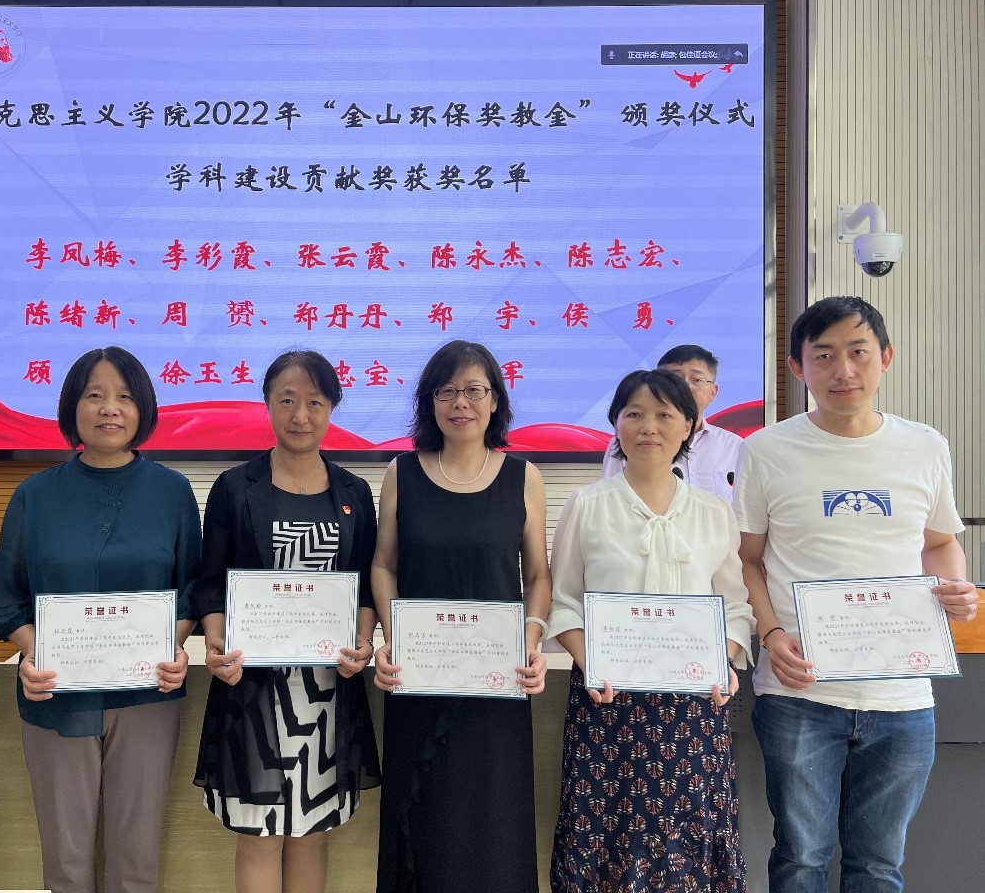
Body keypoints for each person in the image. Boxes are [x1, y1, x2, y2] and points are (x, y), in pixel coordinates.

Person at [734, 296, 977, 893]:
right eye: (824, 356)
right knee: (801, 858)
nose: (843, 370)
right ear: (798, 367)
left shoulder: (925, 445)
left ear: (885, 357)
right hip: (800, 692)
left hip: (902, 695)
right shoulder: (766, 449)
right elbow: (746, 559)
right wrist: (771, 634)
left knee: (879, 864)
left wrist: (956, 587)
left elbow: (940, 544)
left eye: (858, 352)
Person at [0, 346, 201, 893]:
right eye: (94, 395)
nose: (110, 408)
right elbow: (5, 601)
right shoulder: (35, 495)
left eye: (124, 396)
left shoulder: (172, 491)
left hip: (147, 693)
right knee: (67, 860)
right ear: (71, 408)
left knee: (136, 858)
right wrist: (35, 651)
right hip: (57, 692)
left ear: (143, 408)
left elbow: (192, 590)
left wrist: (174, 646)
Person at [549, 368, 754, 893]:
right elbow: (564, 601)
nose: (649, 427)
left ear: (689, 425)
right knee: (606, 833)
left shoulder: (713, 512)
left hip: (693, 706)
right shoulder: (586, 505)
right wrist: (592, 664)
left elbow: (735, 607)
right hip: (607, 703)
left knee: (688, 835)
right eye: (634, 414)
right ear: (615, 423)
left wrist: (725, 662)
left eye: (665, 415)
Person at [192, 350, 380, 893]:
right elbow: (211, 582)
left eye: (314, 403)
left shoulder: (353, 492)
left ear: (332, 408)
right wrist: (216, 642)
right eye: (287, 401)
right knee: (259, 832)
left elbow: (366, 583)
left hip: (327, 688)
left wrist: (363, 641)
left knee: (312, 831)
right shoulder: (234, 487)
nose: (301, 416)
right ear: (268, 404)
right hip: (253, 686)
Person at [372, 339, 550, 893]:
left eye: (474, 390)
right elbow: (383, 566)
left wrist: (531, 640)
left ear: (495, 400)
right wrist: (394, 637)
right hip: (418, 679)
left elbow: (538, 577)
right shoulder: (402, 472)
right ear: (430, 402)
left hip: (496, 684)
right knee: (422, 821)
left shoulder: (524, 476)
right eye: (446, 391)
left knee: (492, 823)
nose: (460, 403)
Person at [602, 344, 744, 502]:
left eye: (696, 380)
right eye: (675, 379)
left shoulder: (734, 446)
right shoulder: (631, 442)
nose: (685, 386)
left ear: (713, 392)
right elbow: (609, 499)